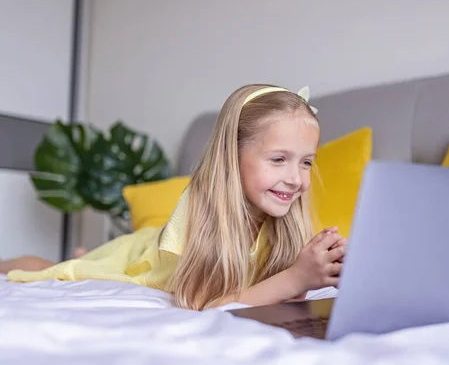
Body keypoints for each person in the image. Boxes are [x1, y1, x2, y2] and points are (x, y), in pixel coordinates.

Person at [0, 84, 347, 311]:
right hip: (141, 259)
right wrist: (296, 279)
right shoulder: (202, 210)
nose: (295, 178)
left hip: (152, 247)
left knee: (89, 258)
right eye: (278, 160)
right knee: (56, 270)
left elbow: (270, 287)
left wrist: (318, 270)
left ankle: (86, 254)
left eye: (305, 163)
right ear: (231, 156)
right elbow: (205, 304)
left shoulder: (281, 222)